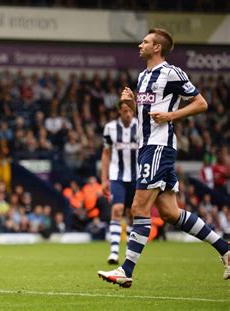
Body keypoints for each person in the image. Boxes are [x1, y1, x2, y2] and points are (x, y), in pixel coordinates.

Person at [97, 28, 229, 287]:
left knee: (138, 208)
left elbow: (201, 103)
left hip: (159, 147)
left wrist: (171, 116)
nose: (140, 45)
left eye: (145, 42)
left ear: (157, 47)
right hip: (146, 146)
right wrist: (132, 103)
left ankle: (125, 270)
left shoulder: (172, 73)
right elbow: (147, 115)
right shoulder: (143, 76)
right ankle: (226, 250)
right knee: (170, 212)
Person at [101, 102, 138, 265]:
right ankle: (114, 253)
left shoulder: (141, 126)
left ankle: (128, 255)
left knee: (132, 214)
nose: (128, 114)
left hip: (137, 177)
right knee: (117, 210)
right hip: (117, 176)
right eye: (125, 111)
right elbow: (106, 154)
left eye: (130, 111)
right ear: (119, 112)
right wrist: (104, 179)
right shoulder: (110, 128)